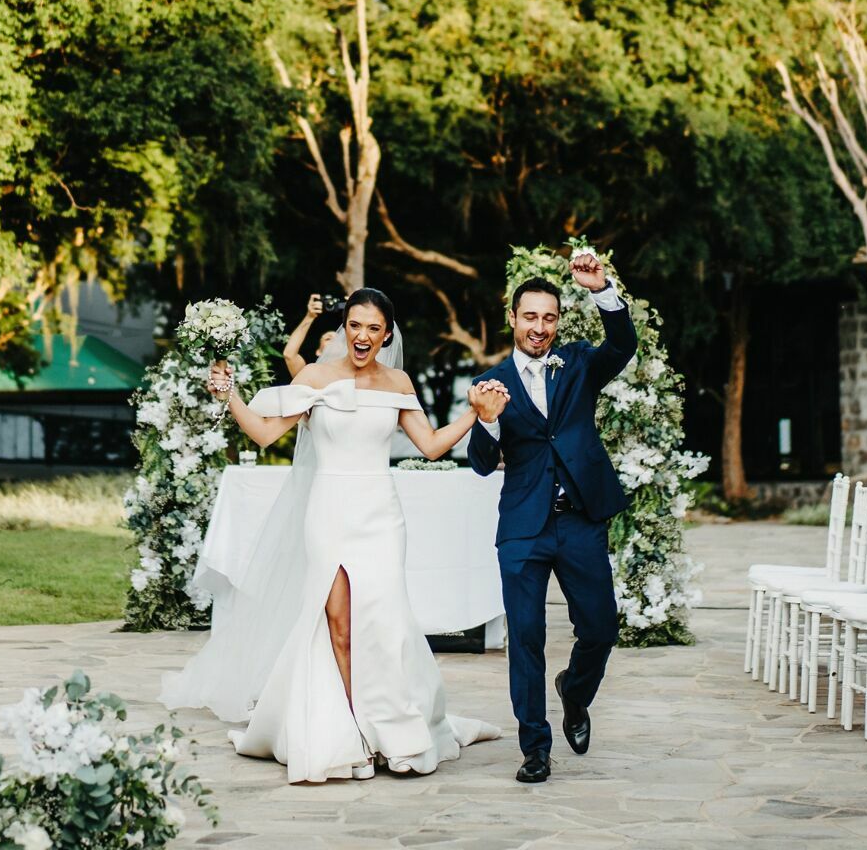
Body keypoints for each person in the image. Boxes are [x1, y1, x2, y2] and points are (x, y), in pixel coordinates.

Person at [163, 287, 503, 781]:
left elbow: (429, 446)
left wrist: (475, 414)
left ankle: (393, 727)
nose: (362, 336)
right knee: (338, 626)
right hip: (328, 511)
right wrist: (229, 393)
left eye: (373, 328)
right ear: (345, 329)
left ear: (387, 334)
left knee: (385, 623)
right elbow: (263, 433)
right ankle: (352, 733)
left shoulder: (398, 381)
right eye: (355, 325)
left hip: (381, 516)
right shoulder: (316, 377)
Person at [467, 247, 638, 784]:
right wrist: (489, 422)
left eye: (548, 317)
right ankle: (534, 748)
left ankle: (575, 691)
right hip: (523, 527)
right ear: (512, 319)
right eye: (529, 316)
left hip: (579, 518)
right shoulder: (491, 382)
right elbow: (476, 462)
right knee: (525, 637)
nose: (539, 327)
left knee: (600, 629)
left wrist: (600, 288)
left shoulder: (580, 364)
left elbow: (623, 344)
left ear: (558, 321)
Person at [282, 294, 342, 377]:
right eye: (328, 339)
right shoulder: (308, 373)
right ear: (318, 352)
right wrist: (310, 316)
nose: (334, 342)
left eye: (339, 340)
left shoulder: (354, 373)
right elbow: (289, 354)